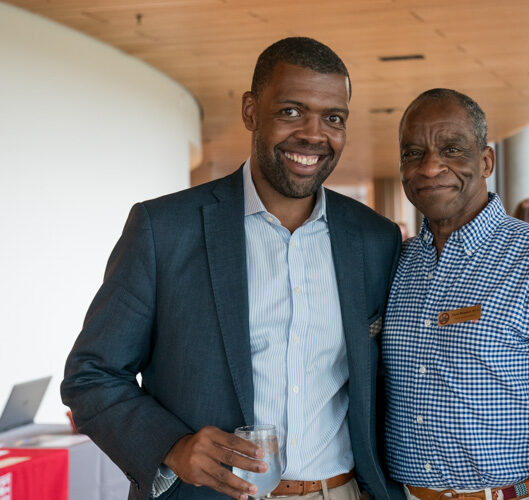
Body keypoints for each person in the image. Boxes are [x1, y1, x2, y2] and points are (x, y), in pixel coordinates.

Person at [61, 37, 404, 500]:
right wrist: (173, 446)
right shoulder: (164, 229)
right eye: (290, 111)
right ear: (250, 111)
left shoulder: (375, 239)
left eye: (333, 118)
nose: (313, 134)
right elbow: (92, 375)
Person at [382, 88, 529, 500]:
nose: (430, 167)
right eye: (413, 153)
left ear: (486, 162)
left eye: (451, 149)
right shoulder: (397, 263)